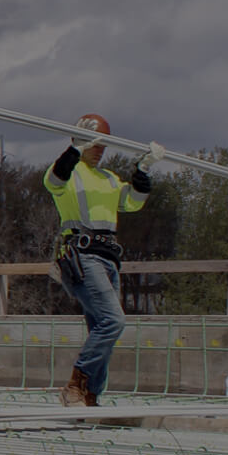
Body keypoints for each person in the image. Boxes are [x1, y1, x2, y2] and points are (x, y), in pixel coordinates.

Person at [44, 114, 164, 407]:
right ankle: (76, 383)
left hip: (109, 259)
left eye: (103, 146)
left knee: (103, 328)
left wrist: (143, 169)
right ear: (79, 141)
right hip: (82, 256)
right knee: (113, 320)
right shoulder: (69, 173)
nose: (99, 151)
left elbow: (133, 201)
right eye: (95, 144)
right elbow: (54, 180)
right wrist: (75, 150)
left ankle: (91, 395)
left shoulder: (109, 178)